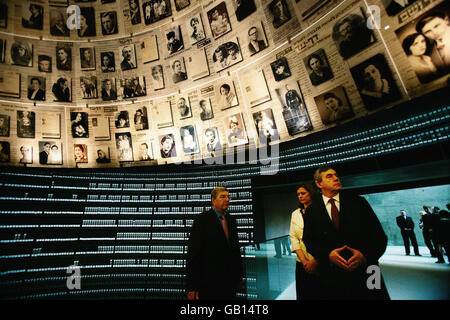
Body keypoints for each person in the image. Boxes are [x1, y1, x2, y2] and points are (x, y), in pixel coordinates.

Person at [302, 166, 389, 300]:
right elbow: (309, 241)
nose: (336, 178)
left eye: (336, 175)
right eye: (329, 176)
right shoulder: (312, 210)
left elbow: (379, 237)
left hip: (369, 271)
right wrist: (328, 255)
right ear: (319, 184)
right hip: (331, 276)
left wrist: (365, 256)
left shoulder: (359, 202)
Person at [186, 187, 243, 300]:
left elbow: (235, 251)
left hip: (230, 283)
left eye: (228, 197)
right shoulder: (201, 220)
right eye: (223, 196)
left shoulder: (231, 220)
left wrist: (238, 277)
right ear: (213, 200)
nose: (227, 199)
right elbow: (193, 254)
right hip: (209, 283)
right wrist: (192, 286)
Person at [289, 182, 321, 300]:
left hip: (319, 262)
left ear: (311, 193)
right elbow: (293, 237)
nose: (300, 196)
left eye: (303, 193)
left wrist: (315, 261)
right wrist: (304, 262)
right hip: (302, 263)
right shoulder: (295, 214)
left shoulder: (320, 210)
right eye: (298, 194)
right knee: (304, 294)